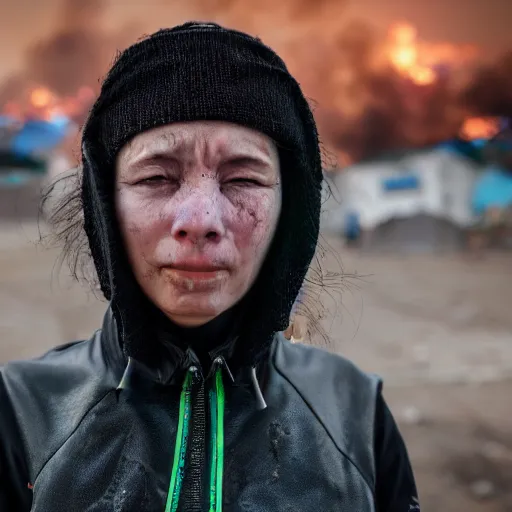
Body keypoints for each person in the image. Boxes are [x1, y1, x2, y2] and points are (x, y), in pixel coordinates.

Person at [0, 22, 419, 511]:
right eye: (156, 176)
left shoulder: (356, 412)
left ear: (292, 211)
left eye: (243, 178)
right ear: (105, 205)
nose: (199, 221)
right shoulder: (22, 413)